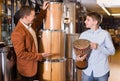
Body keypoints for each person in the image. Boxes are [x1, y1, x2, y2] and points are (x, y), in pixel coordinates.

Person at [11, 1, 49, 81]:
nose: (35, 17)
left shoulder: (30, 24)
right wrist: (39, 56)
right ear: (26, 17)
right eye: (33, 15)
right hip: (27, 70)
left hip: (35, 65)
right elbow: (21, 54)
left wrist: (43, 9)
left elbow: (38, 20)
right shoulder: (17, 33)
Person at [75, 12, 115, 81]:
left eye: (88, 20)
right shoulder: (83, 34)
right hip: (87, 71)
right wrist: (77, 57)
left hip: (101, 71)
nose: (85, 21)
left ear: (95, 22)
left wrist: (98, 47)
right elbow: (77, 49)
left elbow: (112, 51)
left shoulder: (105, 34)